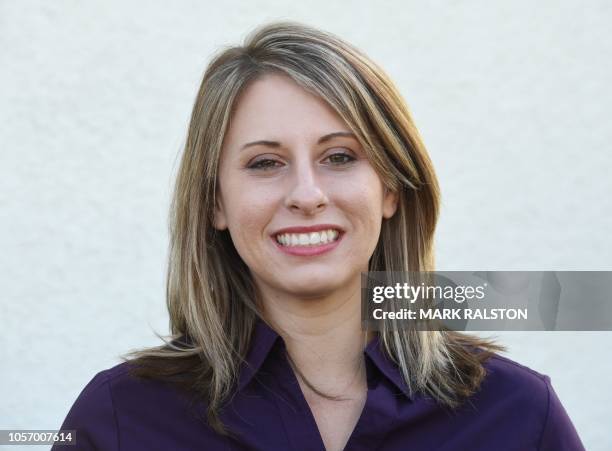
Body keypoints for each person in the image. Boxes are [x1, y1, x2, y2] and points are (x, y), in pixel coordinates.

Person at [53, 22, 585, 450]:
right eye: (265, 163)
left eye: (339, 157)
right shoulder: (121, 420)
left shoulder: (517, 415)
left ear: (391, 189)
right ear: (215, 201)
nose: (306, 194)